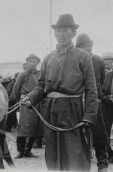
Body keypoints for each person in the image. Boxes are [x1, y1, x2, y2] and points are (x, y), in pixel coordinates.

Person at [23, 14, 98, 171]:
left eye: (66, 30)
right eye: (59, 31)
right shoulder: (48, 58)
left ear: (73, 33)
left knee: (74, 152)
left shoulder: (82, 56)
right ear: (55, 34)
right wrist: (31, 97)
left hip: (73, 110)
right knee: (52, 152)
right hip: (50, 110)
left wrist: (89, 116)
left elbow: (92, 89)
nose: (62, 34)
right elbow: (41, 86)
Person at [76, 33, 108, 172]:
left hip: (95, 101)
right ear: (79, 47)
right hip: (78, 102)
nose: (88, 48)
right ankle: (84, 163)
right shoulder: (75, 60)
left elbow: (101, 82)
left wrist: (97, 97)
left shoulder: (98, 61)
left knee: (99, 133)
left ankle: (102, 164)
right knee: (79, 134)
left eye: (90, 45)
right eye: (85, 46)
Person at [11, 53, 43, 159]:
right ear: (27, 63)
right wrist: (20, 101)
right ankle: (20, 151)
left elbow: (42, 88)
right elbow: (16, 89)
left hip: (36, 103)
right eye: (30, 61)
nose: (32, 64)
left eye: (34, 61)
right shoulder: (23, 74)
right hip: (25, 103)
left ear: (37, 63)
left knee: (35, 128)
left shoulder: (40, 74)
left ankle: (28, 151)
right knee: (23, 127)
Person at [101, 51, 113, 163]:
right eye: (105, 60)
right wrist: (107, 99)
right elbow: (99, 90)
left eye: (109, 60)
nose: (107, 63)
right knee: (106, 129)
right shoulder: (101, 74)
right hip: (106, 105)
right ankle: (109, 153)